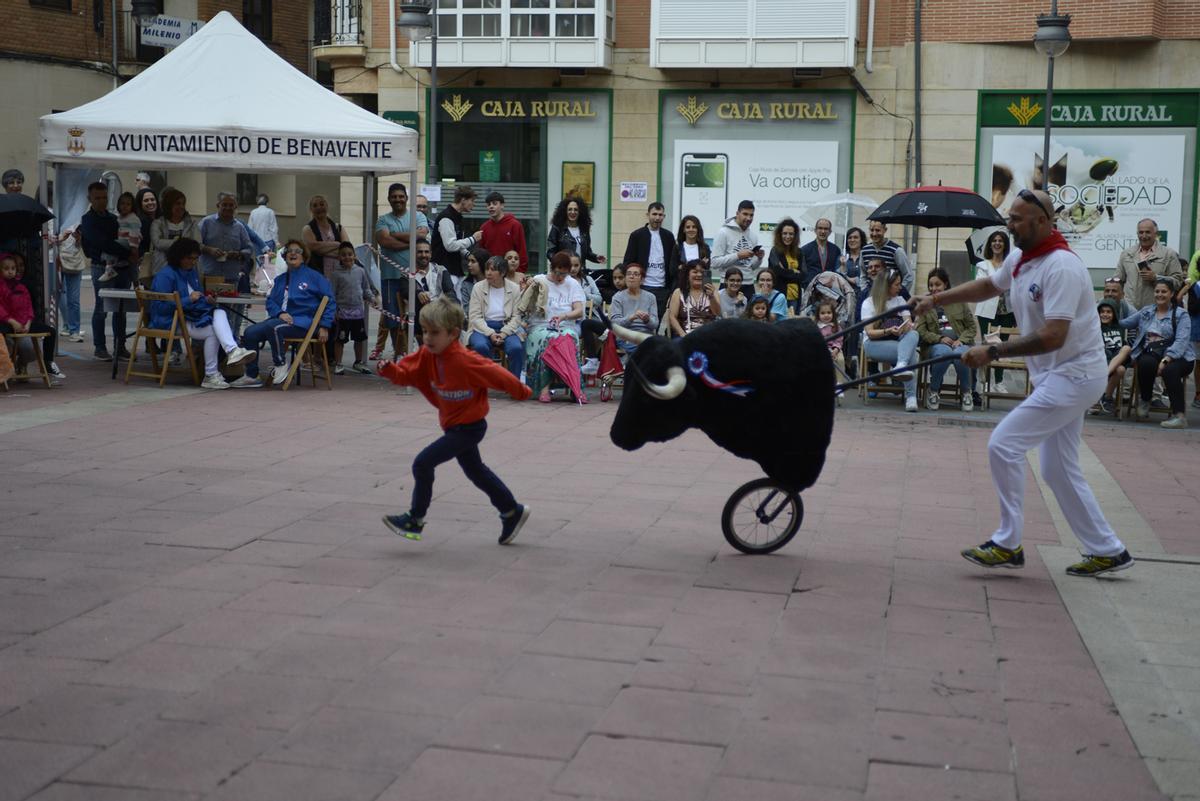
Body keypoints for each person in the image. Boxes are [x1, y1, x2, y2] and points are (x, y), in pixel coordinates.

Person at [912, 188, 1135, 577]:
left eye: (1017, 219)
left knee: (1004, 444)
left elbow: (1054, 335)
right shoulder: (1021, 257)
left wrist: (993, 352)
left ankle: (1007, 542)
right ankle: (1108, 549)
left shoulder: (1062, 267)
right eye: (1010, 217)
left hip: (1074, 375)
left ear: (1043, 222)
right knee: (1056, 469)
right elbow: (988, 287)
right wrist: (937, 300)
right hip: (1056, 375)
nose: (1009, 224)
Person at [376, 296, 533, 544]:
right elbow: (409, 374)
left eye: (434, 333)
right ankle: (511, 511)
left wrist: (522, 391)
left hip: (469, 427)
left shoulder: (466, 360)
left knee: (422, 464)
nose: (427, 338)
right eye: (425, 331)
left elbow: (499, 375)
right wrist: (390, 371)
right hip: (453, 425)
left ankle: (414, 520)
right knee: (475, 471)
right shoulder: (428, 355)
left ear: (453, 334)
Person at [149, 237, 256, 389]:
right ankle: (223, 360)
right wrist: (188, 300)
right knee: (216, 323)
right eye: (189, 258)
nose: (193, 262)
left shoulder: (191, 272)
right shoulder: (165, 275)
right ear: (178, 257)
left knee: (218, 316)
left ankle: (223, 361)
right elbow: (159, 307)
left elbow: (195, 297)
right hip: (170, 321)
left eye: (195, 259)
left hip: (189, 317)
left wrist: (206, 300)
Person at [232, 239, 335, 388]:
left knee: (273, 327)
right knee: (250, 332)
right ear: (285, 256)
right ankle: (252, 375)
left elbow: (330, 301)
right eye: (289, 251)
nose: (293, 253)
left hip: (303, 322)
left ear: (304, 257)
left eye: (297, 251)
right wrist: (280, 313)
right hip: (280, 320)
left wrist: (325, 325)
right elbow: (271, 302)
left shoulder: (314, 277)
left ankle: (280, 364)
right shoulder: (280, 280)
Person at [1119, 276, 1193, 429]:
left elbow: (1181, 341)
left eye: (1164, 292)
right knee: (1145, 362)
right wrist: (1106, 315)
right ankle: (1145, 400)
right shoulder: (1147, 311)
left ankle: (1179, 416)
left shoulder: (1181, 315)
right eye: (1157, 291)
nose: (1160, 294)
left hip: (1180, 355)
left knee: (1170, 370)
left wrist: (1166, 359)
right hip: (1153, 351)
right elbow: (1125, 323)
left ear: (1171, 294)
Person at [518, 251, 587, 403]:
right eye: (557, 273)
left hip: (565, 324)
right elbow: (523, 305)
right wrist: (526, 287)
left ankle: (575, 387)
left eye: (564, 274)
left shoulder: (572, 284)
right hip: (540, 325)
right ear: (551, 268)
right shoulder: (539, 280)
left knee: (567, 337)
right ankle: (544, 388)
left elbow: (579, 310)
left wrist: (564, 316)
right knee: (549, 338)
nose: (560, 277)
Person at [373, 182, 430, 360]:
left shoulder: (418, 216)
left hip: (415, 278)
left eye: (401, 196)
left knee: (419, 318)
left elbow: (421, 235)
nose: (398, 200)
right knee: (393, 319)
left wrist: (394, 235)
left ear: (406, 198)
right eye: (394, 197)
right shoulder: (383, 219)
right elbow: (384, 241)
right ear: (389, 199)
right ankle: (401, 353)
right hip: (390, 277)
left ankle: (421, 355)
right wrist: (410, 241)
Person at [77, 181, 132, 361]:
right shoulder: (88, 219)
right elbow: (99, 243)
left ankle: (120, 346)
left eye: (104, 197)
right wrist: (125, 250)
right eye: (97, 198)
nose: (101, 201)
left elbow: (120, 239)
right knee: (102, 308)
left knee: (121, 308)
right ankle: (100, 347)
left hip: (122, 267)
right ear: (90, 199)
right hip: (101, 267)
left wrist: (125, 250)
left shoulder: (113, 218)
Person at [916, 267, 976, 411]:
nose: (934, 288)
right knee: (943, 353)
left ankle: (966, 393)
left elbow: (972, 327)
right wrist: (939, 338)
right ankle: (934, 391)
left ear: (946, 284)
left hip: (960, 343)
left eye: (937, 284)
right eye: (931, 285)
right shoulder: (925, 304)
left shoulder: (959, 301)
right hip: (935, 345)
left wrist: (960, 340)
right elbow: (921, 330)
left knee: (961, 354)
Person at [0, 253, 65, 379]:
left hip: (24, 323)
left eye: (13, 269)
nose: (11, 272)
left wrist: (28, 322)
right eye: (6, 269)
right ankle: (5, 367)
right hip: (7, 323)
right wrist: (12, 321)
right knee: (3, 339)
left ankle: (48, 363)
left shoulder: (22, 287)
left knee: (51, 331)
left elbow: (29, 307)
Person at [863, 266, 918, 412]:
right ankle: (911, 396)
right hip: (874, 344)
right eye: (897, 284)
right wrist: (888, 330)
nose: (900, 287)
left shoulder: (900, 300)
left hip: (898, 341)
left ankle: (901, 365)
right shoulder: (869, 303)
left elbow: (908, 323)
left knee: (914, 334)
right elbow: (870, 333)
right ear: (886, 286)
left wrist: (906, 327)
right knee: (911, 354)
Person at [973, 229, 1015, 403]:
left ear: (1005, 245)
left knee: (1002, 347)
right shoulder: (983, 265)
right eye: (994, 241)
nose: (997, 243)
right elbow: (981, 285)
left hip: (1007, 311)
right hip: (987, 312)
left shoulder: (1011, 265)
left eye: (1001, 241)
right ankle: (984, 381)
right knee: (989, 346)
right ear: (990, 245)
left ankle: (998, 381)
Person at [467, 255, 524, 379]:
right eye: (487, 269)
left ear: (503, 272)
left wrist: (503, 333)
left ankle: (514, 383)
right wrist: (491, 333)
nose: (488, 273)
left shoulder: (514, 288)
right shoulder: (478, 287)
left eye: (493, 270)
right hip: (483, 327)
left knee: (516, 348)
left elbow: (517, 317)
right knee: (480, 346)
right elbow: (475, 317)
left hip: (506, 327)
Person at [330, 241, 380, 375]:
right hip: (342, 313)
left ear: (354, 255)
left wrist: (372, 299)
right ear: (339, 257)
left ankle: (358, 362)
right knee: (340, 339)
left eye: (350, 254)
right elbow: (332, 294)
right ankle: (339, 363)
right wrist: (334, 310)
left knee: (359, 338)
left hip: (358, 312)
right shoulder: (336, 274)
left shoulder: (360, 271)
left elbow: (366, 289)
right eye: (344, 255)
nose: (347, 257)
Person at [623, 202, 677, 321]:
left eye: (660, 215)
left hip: (662, 288)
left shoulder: (668, 236)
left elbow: (673, 263)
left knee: (655, 321)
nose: (657, 218)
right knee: (640, 320)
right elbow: (628, 261)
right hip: (643, 286)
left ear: (664, 216)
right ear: (647, 215)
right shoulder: (637, 235)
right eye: (654, 214)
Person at [1114, 218, 1183, 310]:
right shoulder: (1127, 253)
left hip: (1155, 310)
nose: (1144, 235)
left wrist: (1156, 278)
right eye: (1141, 232)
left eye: (1148, 232)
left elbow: (1178, 282)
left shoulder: (1168, 254)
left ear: (1156, 234)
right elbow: (1118, 280)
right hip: (1129, 310)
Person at [402, 238, 457, 345]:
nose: (424, 255)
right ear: (414, 254)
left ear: (431, 254)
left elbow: (450, 291)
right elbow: (404, 290)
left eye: (426, 252)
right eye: (420, 252)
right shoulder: (407, 273)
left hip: (440, 312)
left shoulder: (440, 270)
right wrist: (418, 293)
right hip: (419, 316)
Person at [199, 191, 252, 282]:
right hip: (209, 275)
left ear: (235, 207)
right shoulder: (206, 223)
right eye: (224, 204)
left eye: (231, 205)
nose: (228, 208)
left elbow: (249, 249)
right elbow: (194, 244)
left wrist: (238, 254)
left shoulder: (239, 227)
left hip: (231, 277)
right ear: (218, 205)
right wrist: (209, 249)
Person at [711, 200, 763, 285]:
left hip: (748, 284)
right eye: (745, 214)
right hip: (728, 284)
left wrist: (759, 259)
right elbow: (714, 262)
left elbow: (751, 267)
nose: (749, 218)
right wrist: (738, 255)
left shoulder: (753, 236)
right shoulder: (723, 232)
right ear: (737, 213)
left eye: (751, 215)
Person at [1093, 299, 1131, 416]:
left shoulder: (1120, 326)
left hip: (1117, 357)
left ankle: (1105, 388)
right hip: (1103, 357)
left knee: (1127, 348)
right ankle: (1107, 397)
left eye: (1109, 312)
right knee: (1120, 370)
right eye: (1102, 312)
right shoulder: (1096, 327)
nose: (1105, 314)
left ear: (1114, 313)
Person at [609, 262, 658, 352]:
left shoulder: (651, 297)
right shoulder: (618, 297)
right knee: (643, 349)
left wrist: (647, 320)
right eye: (628, 274)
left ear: (642, 279)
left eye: (636, 274)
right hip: (626, 335)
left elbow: (655, 324)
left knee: (661, 346)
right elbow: (615, 324)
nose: (631, 277)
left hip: (646, 336)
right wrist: (631, 318)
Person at [432, 184, 478, 278]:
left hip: (454, 269)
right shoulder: (446, 217)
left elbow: (457, 244)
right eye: (472, 200)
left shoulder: (458, 217)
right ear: (463, 200)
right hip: (444, 271)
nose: (474, 204)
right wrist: (473, 239)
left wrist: (467, 254)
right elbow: (450, 245)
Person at [150, 187, 199, 275]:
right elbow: (157, 243)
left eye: (183, 204)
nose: (181, 207)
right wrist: (181, 243)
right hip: (162, 268)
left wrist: (172, 244)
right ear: (169, 205)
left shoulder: (192, 224)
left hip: (186, 270)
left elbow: (196, 245)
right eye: (177, 203)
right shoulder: (157, 223)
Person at [546, 196, 605, 268]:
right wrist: (560, 265)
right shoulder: (557, 228)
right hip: (563, 271)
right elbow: (550, 252)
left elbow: (587, 253)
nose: (573, 212)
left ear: (580, 212)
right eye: (570, 209)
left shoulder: (584, 230)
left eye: (576, 210)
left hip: (580, 271)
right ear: (565, 211)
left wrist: (596, 257)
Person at [477, 192, 527, 274]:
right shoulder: (484, 228)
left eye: (494, 204)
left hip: (511, 273)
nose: (491, 207)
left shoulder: (515, 225)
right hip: (491, 273)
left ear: (502, 205)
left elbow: (521, 250)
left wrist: (519, 272)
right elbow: (482, 254)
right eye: (488, 204)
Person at [667, 259, 720, 337]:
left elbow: (717, 313)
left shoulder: (713, 291)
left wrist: (711, 296)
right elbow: (672, 317)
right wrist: (683, 335)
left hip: (708, 336)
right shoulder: (678, 292)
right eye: (695, 272)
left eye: (702, 272)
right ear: (687, 275)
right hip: (684, 335)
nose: (699, 275)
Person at [301, 194, 350, 276]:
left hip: (340, 273)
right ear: (311, 209)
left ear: (327, 206)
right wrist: (337, 244)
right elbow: (313, 247)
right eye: (315, 205)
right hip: (318, 273)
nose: (319, 208)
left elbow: (347, 248)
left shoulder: (338, 227)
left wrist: (323, 249)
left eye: (322, 204)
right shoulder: (307, 229)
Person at [861, 220, 912, 294]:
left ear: (885, 230)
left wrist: (898, 293)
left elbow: (908, 276)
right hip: (870, 296)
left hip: (892, 297)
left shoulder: (896, 250)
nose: (874, 233)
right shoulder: (864, 250)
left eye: (878, 230)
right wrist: (864, 291)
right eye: (872, 230)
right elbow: (863, 275)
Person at [100, 191, 141, 285]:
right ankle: (134, 279)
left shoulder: (133, 218)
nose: (125, 206)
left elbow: (135, 233)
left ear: (132, 206)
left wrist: (134, 247)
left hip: (128, 242)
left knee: (111, 248)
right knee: (130, 265)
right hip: (122, 241)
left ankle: (110, 270)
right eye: (122, 203)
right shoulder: (119, 218)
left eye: (128, 204)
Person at [767, 218, 803, 312]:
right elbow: (777, 272)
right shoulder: (775, 251)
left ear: (795, 236)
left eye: (791, 234)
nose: (788, 236)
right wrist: (794, 272)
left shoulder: (799, 252)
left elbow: (803, 275)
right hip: (779, 295)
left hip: (795, 296)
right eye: (785, 233)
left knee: (792, 324)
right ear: (780, 234)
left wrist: (785, 272)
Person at [799, 218, 842, 295]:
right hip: (811, 291)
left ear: (830, 232)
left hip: (830, 292)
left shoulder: (835, 250)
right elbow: (803, 273)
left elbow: (837, 272)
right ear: (815, 230)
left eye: (826, 229)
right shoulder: (805, 250)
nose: (823, 231)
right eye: (820, 228)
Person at [814, 298, 845, 402]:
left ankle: (839, 385)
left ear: (833, 314)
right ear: (818, 315)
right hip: (820, 350)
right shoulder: (815, 327)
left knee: (840, 360)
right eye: (823, 313)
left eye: (829, 312)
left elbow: (839, 340)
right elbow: (814, 340)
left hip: (834, 349)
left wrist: (835, 350)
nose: (826, 315)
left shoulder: (836, 327)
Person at [134, 188, 158, 281]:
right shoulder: (140, 221)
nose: (150, 202)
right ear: (140, 203)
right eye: (146, 200)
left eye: (152, 199)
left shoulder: (159, 219)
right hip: (148, 265)